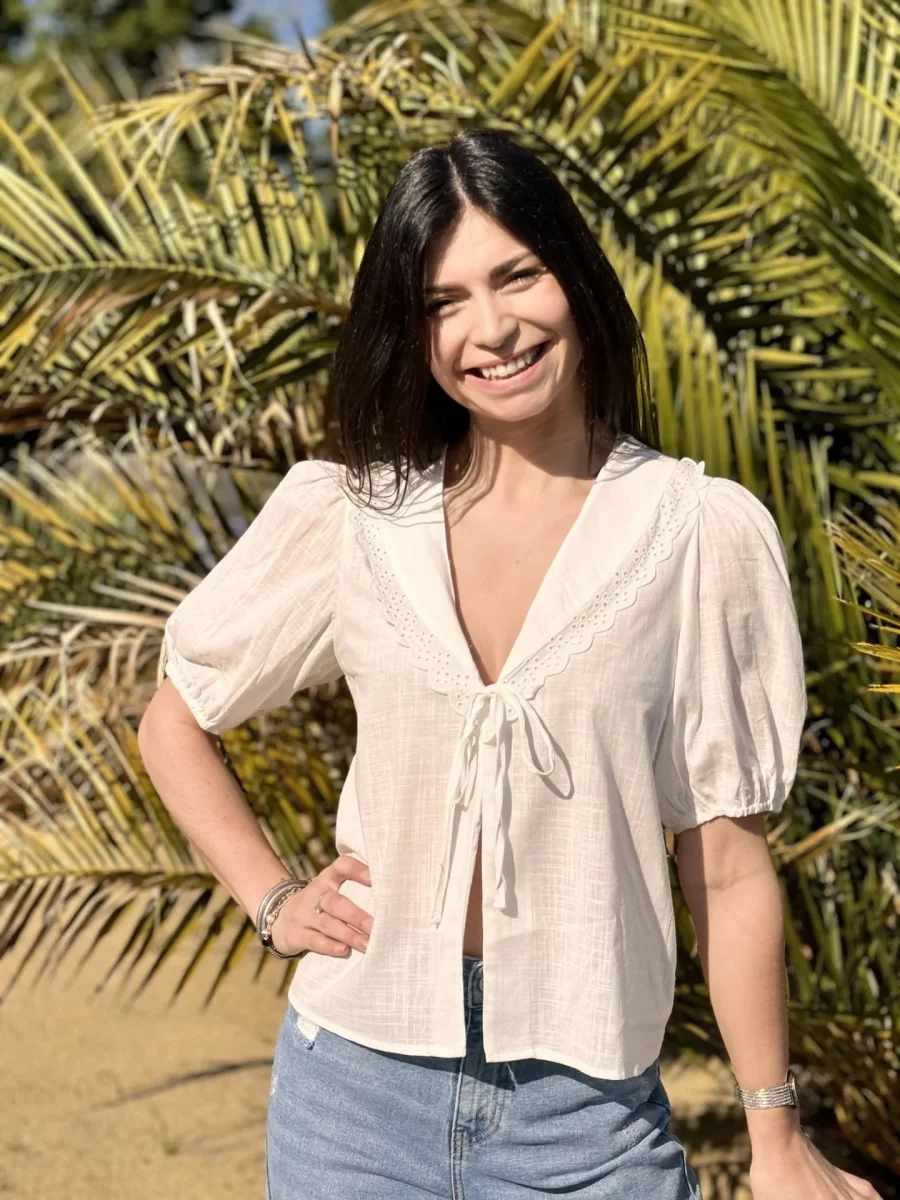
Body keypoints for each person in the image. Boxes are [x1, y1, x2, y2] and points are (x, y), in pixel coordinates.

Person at [139, 130, 878, 1200]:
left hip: (587, 1121)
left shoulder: (695, 531)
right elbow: (175, 718)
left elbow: (725, 865)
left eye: (516, 275)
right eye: (443, 302)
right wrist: (272, 899)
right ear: (412, 331)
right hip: (350, 1097)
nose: (491, 328)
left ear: (573, 277)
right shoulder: (356, 516)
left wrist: (775, 1134)